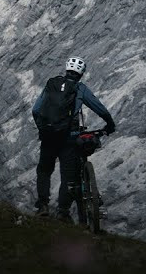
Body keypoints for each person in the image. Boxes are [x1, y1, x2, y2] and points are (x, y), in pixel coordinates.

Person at [31, 57, 116, 220]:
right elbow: (99, 108)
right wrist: (110, 124)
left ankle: (43, 205)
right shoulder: (80, 88)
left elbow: (36, 110)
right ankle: (63, 212)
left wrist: (43, 128)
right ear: (81, 74)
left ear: (66, 69)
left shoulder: (52, 84)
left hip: (48, 136)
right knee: (68, 177)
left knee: (44, 170)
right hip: (68, 139)